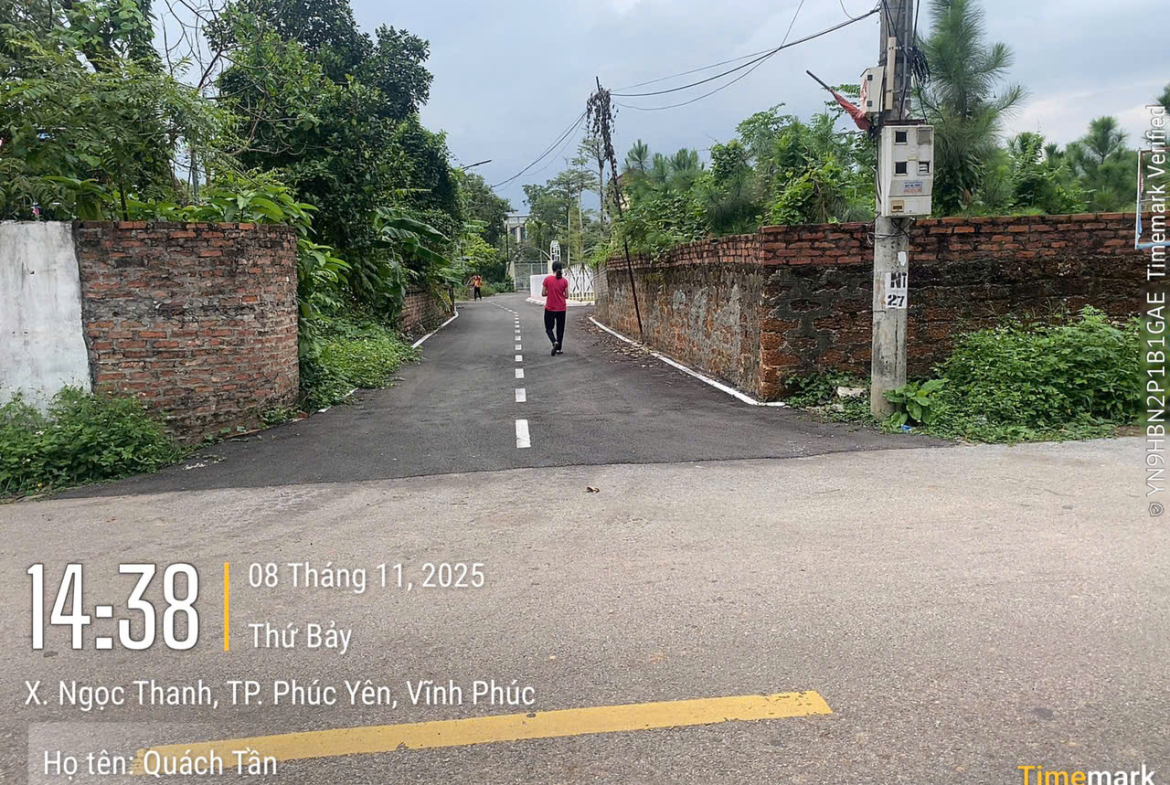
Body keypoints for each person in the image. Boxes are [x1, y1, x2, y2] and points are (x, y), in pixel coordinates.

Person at [541, 262, 569, 355]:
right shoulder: (564, 281)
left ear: (552, 268)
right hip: (561, 308)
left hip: (550, 308)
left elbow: (543, 293)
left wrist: (550, 292)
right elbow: (567, 295)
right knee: (560, 329)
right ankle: (559, 349)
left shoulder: (547, 279)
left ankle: (554, 341)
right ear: (561, 269)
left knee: (548, 328)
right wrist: (560, 293)